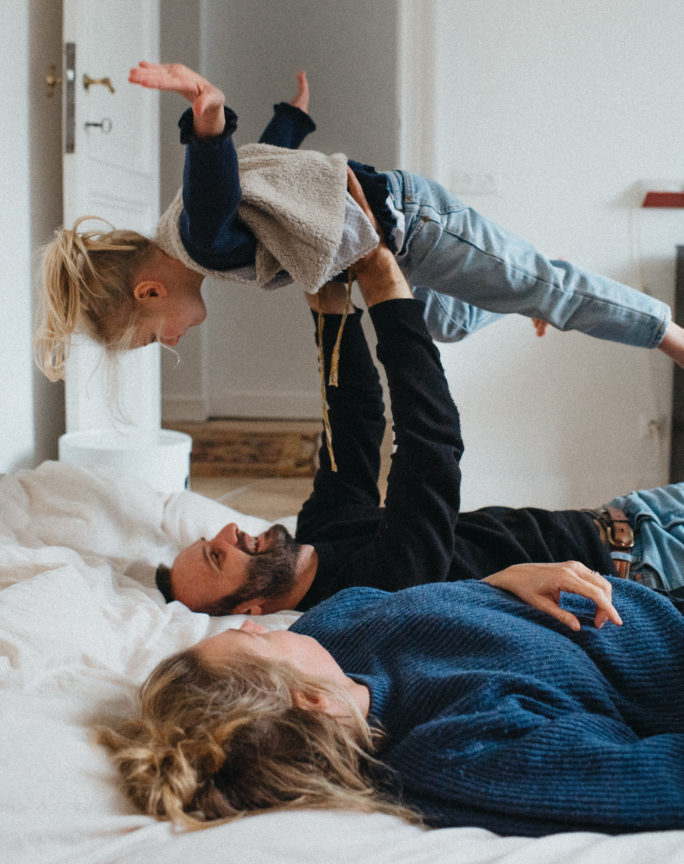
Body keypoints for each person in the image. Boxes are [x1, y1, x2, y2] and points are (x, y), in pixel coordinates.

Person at [155, 202, 684, 617]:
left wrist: (328, 305)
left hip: (630, 513)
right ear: (252, 608)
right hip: (646, 569)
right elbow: (430, 447)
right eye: (218, 557)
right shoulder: (379, 590)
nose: (228, 534)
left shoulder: (321, 532)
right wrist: (385, 286)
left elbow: (354, 421)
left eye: (211, 541)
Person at [34, 60, 684, 381]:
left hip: (411, 222)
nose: (170, 344)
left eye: (153, 339)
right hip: (394, 248)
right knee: (450, 322)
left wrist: (207, 114)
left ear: (149, 292)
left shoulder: (198, 236)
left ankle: (665, 333)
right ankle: (525, 293)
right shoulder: (195, 233)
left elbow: (217, 175)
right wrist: (290, 116)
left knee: (543, 285)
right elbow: (267, 171)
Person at [96, 565, 684, 837]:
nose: (254, 626)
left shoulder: (331, 634)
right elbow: (658, 779)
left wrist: (500, 582)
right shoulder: (458, 751)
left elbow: (439, 603)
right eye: (255, 639)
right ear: (309, 701)